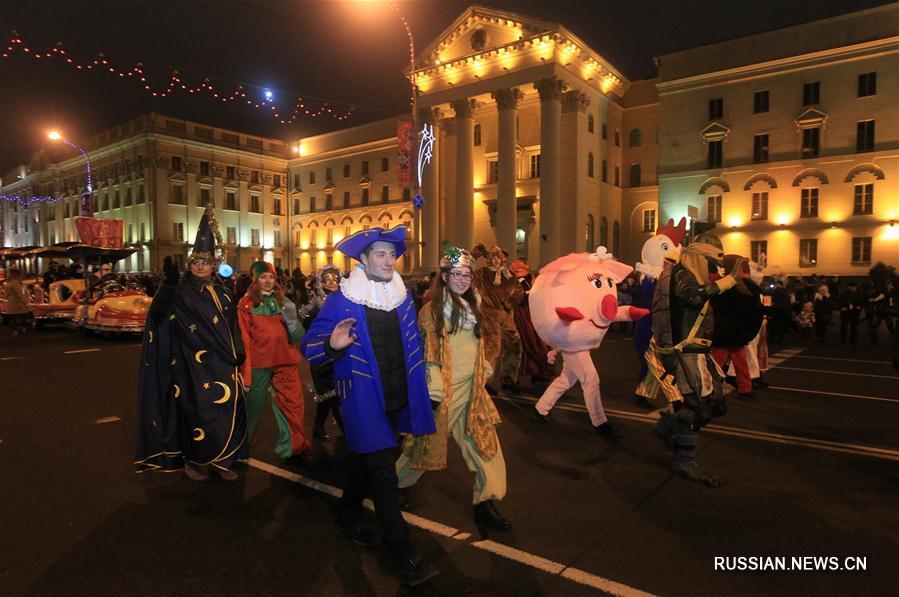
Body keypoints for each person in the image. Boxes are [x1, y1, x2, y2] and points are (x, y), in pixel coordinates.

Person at [301, 226, 438, 587]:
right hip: (362, 401)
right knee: (383, 475)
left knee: (370, 461)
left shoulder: (402, 296)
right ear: (363, 259)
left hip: (396, 398)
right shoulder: (344, 300)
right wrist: (332, 345)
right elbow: (310, 348)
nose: (389, 260)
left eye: (392, 254)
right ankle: (403, 555)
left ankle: (347, 515)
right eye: (380, 253)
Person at [396, 244, 510, 530]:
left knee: (486, 447)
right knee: (422, 448)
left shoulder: (475, 306)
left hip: (473, 392)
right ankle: (395, 486)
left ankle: (486, 502)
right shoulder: (431, 311)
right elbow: (429, 354)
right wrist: (433, 393)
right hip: (443, 394)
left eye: (467, 274)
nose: (462, 279)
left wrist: (483, 370)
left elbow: (480, 345)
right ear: (444, 276)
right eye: (456, 274)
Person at [135, 209, 247, 482]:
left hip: (222, 363)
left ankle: (222, 459)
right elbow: (159, 315)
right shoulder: (181, 291)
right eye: (196, 261)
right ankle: (195, 461)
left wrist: (239, 348)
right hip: (189, 364)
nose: (200, 266)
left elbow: (232, 325)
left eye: (205, 262)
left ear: (213, 264)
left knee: (225, 408)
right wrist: (168, 287)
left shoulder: (223, 292)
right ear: (190, 264)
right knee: (197, 411)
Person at [640, 233, 742, 487]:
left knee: (716, 403)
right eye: (712, 258)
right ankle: (684, 462)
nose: (715, 264)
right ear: (700, 255)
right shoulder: (682, 274)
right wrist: (729, 280)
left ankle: (666, 428)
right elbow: (695, 296)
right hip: (685, 353)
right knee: (699, 407)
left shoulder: (684, 272)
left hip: (696, 351)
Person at [237, 261, 312, 460]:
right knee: (252, 406)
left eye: (271, 277)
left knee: (293, 403)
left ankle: (294, 446)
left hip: (284, 360)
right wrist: (245, 372)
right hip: (259, 364)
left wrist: (292, 320)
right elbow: (243, 339)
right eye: (263, 277)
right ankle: (239, 447)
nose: (268, 281)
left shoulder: (284, 302)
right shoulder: (245, 305)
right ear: (255, 280)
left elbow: (297, 335)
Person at [300, 265, 345, 442]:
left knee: (328, 395)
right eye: (328, 280)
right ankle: (348, 432)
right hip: (321, 357)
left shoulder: (344, 301)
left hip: (339, 354)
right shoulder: (315, 304)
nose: (333, 283)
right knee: (331, 394)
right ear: (321, 282)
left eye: (336, 279)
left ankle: (318, 427)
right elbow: (307, 331)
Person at [709, 255, 763, 400]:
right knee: (719, 363)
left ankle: (744, 388)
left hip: (730, 332)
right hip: (727, 332)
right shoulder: (725, 284)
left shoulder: (728, 284)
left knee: (738, 362)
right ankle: (709, 389)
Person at [473, 244, 523, 392]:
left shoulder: (510, 276)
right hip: (488, 318)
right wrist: (475, 255)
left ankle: (509, 379)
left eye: (498, 258)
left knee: (515, 345)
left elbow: (519, 292)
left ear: (503, 259)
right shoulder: (481, 274)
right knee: (491, 350)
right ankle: (484, 383)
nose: (496, 260)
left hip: (507, 317)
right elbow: (466, 273)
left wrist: (511, 302)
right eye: (493, 258)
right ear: (488, 260)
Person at [508, 257, 554, 389]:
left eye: (520, 266)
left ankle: (538, 373)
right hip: (518, 315)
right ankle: (511, 378)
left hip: (533, 314)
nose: (516, 268)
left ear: (527, 267)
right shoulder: (510, 280)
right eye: (515, 266)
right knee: (517, 346)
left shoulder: (532, 279)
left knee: (537, 343)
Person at [2, 268, 31, 336]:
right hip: (18, 301)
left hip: (11, 301)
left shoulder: (8, 283)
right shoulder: (16, 283)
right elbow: (20, 293)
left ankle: (14, 330)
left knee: (13, 317)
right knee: (24, 315)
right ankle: (22, 328)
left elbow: (5, 294)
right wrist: (25, 301)